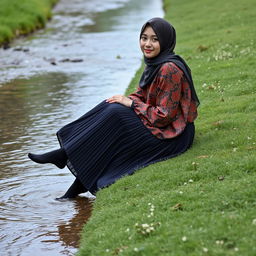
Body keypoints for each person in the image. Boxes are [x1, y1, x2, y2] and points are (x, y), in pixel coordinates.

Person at [28, 17, 200, 199]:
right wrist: (126, 100)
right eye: (144, 38)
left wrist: (132, 104)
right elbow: (141, 95)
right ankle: (72, 173)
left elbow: (163, 116)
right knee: (113, 106)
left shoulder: (168, 69)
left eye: (155, 39)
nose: (147, 44)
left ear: (165, 41)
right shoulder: (155, 63)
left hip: (174, 136)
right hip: (163, 127)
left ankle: (65, 158)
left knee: (117, 116)